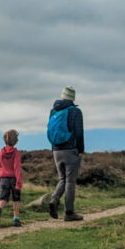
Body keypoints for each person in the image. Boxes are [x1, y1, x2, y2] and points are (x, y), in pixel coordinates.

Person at [47, 85, 84, 221]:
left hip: (56, 150)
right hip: (70, 150)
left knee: (62, 179)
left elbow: (50, 130)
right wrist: (80, 150)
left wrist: (54, 149)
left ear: (63, 95)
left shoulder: (53, 111)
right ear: (73, 97)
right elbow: (79, 133)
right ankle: (69, 213)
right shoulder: (75, 111)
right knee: (70, 182)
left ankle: (54, 199)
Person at [0, 129, 23, 226]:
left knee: (3, 199)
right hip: (14, 179)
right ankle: (16, 219)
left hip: (3, 179)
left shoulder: (1, 153)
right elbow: (17, 168)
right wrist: (19, 182)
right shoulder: (16, 152)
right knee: (16, 199)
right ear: (15, 140)